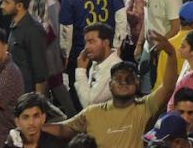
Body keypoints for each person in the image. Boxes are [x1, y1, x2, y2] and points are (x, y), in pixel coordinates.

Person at [44, 31, 179, 148]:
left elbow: (168, 87)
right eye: (118, 78)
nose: (124, 82)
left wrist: (171, 53)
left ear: (138, 84)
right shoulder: (93, 113)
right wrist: (33, 127)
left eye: (129, 78)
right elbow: (64, 129)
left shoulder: (145, 107)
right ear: (110, 85)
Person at [1, 0, 50, 93]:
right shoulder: (14, 25)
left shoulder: (33, 30)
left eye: (6, 2)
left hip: (28, 93)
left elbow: (40, 71)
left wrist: (37, 100)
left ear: (19, 6)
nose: (2, 6)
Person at [74, 23, 121, 107]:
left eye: (91, 42)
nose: (86, 47)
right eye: (86, 42)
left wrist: (80, 70)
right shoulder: (98, 62)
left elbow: (89, 104)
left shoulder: (114, 69)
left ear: (106, 43)